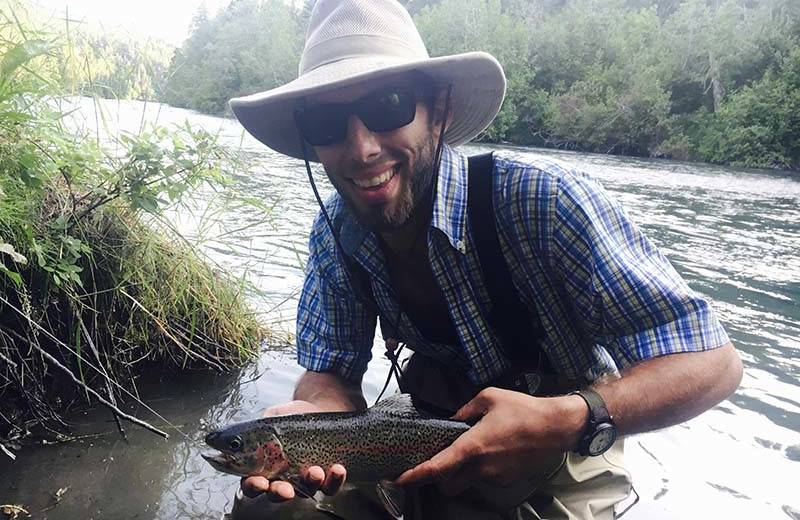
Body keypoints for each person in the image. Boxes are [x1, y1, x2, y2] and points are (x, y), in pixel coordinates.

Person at [223, 0, 743, 518]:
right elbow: (331, 376)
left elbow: (714, 363)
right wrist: (313, 424)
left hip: (558, 450)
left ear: (440, 112)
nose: (361, 148)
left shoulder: (544, 201)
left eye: (390, 106)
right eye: (328, 121)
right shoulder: (337, 230)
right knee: (268, 513)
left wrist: (566, 418)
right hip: (407, 438)